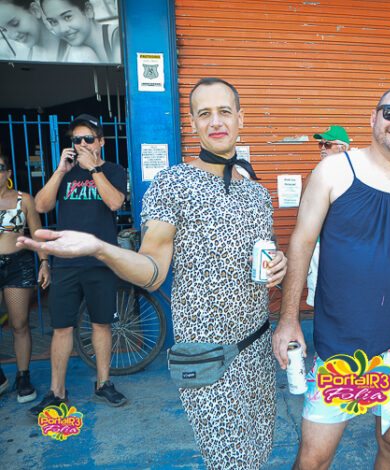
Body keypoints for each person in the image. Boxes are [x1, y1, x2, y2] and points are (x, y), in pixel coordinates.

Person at [19, 77, 287, 470]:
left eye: (224, 111)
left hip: (258, 347)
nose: (216, 121)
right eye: (204, 113)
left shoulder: (256, 191)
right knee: (231, 461)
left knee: (258, 450)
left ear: (240, 119)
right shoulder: (173, 183)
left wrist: (279, 262)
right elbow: (153, 271)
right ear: (192, 123)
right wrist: (100, 248)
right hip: (208, 356)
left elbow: (264, 252)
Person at [273, 86, 390, 470]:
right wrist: (289, 318)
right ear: (374, 118)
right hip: (341, 350)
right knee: (314, 458)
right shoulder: (334, 171)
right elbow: (302, 241)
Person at [30, 113, 128, 414]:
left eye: (88, 139)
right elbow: (41, 205)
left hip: (100, 261)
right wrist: (61, 171)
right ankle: (57, 392)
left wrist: (94, 169)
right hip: (66, 262)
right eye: (77, 140)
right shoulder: (66, 173)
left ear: (101, 142)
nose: (82, 144)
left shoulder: (113, 170)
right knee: (61, 327)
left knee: (101, 323)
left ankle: (104, 383)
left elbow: (115, 202)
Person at [0, 147, 50, 403]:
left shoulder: (24, 199)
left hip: (18, 265)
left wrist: (44, 262)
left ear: (8, 173)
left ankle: (23, 376)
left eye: (0, 168)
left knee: (19, 324)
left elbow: (37, 233)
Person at [306, 125, 351, 306]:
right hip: (320, 246)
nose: (322, 148)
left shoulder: (357, 174)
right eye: (321, 144)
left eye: (328, 144)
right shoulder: (314, 174)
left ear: (342, 148)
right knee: (321, 300)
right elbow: (304, 214)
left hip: (349, 246)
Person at [0, 0, 97, 62]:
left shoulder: (81, 56)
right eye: (3, 29)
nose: (11, 35)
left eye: (15, 23)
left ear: (34, 10)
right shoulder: (20, 57)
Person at [40, 0, 120, 63]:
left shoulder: (119, 38)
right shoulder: (70, 53)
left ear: (88, 10)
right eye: (53, 22)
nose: (62, 29)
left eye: (67, 17)